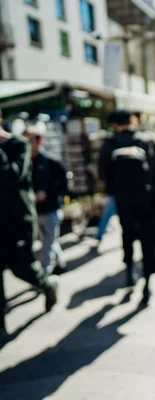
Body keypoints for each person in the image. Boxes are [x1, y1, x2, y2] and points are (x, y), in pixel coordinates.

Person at [98, 110, 155, 303]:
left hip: (123, 201)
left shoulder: (110, 144)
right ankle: (147, 284)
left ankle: (130, 272)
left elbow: (103, 173)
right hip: (147, 201)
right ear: (131, 121)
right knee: (148, 240)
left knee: (127, 235)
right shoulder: (146, 140)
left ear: (114, 124)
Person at [0, 111, 58, 336]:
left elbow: (11, 176)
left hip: (17, 219)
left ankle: (47, 284)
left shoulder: (19, 145)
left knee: (22, 268)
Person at [23, 127, 68, 274]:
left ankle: (45, 275)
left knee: (46, 244)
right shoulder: (24, 162)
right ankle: (61, 262)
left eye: (30, 140)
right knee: (49, 241)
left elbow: (64, 185)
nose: (27, 144)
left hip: (50, 210)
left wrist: (48, 194)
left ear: (39, 141)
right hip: (33, 211)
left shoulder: (52, 162)